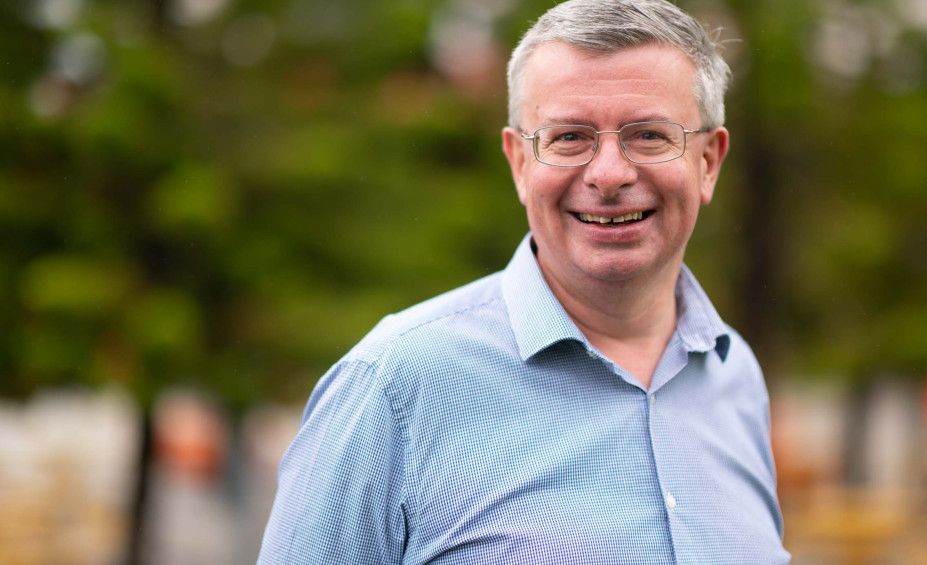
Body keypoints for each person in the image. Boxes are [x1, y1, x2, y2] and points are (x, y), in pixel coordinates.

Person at [258, 0, 790, 563]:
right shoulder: (391, 387)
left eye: (650, 135)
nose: (609, 174)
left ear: (708, 161)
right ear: (518, 162)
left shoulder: (736, 379)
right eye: (569, 138)